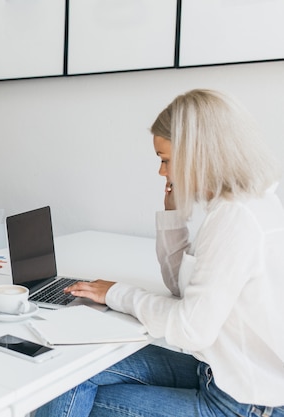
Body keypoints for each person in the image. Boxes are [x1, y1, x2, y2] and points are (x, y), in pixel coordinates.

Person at [35, 89, 284, 417]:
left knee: (73, 392)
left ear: (197, 154)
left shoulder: (235, 219)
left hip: (242, 404)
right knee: (69, 374)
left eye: (165, 160)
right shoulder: (248, 204)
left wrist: (117, 293)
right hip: (217, 373)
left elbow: (190, 329)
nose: (161, 172)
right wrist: (173, 214)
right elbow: (182, 289)